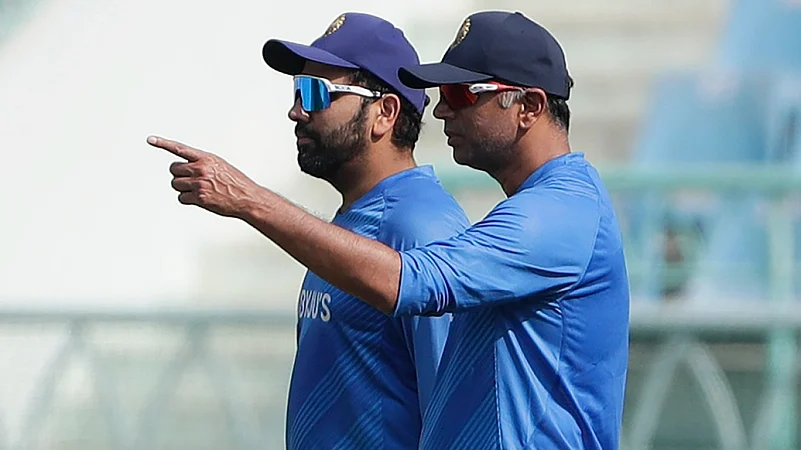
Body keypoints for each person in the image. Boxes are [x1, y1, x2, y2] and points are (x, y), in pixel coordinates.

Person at [148, 10, 629, 450]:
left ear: (529, 106)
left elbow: (414, 284)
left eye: (461, 94)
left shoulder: (559, 212)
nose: (441, 111)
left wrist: (249, 199)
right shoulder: (540, 209)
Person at [157, 12, 470, 450]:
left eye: (316, 92)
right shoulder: (358, 216)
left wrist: (249, 199)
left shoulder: (421, 227)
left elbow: (456, 411)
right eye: (297, 90)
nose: (296, 110)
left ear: (385, 113)